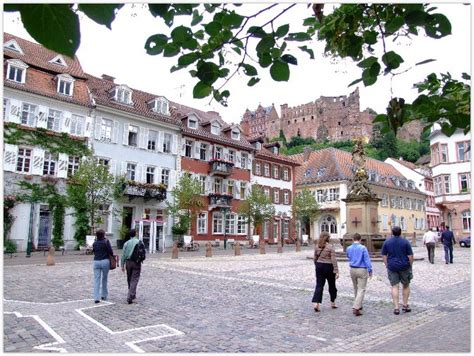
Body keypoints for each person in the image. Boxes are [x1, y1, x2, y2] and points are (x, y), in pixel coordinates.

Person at [381, 226, 414, 315]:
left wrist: (387, 265)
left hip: (392, 266)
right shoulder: (405, 242)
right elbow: (410, 255)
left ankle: (396, 307)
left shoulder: (387, 242)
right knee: (406, 285)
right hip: (404, 266)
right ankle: (405, 305)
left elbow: (384, 255)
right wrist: (410, 265)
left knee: (394, 286)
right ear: (400, 232)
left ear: (392, 232)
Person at [311, 231, 339, 312]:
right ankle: (333, 302)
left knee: (319, 285)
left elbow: (315, 257)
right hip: (328, 266)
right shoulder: (330, 247)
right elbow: (333, 259)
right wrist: (336, 270)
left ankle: (316, 303)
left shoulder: (317, 246)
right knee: (332, 285)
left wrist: (316, 265)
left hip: (319, 266)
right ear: (328, 238)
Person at [346, 233, 372, 316]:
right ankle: (356, 307)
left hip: (352, 269)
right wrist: (370, 269)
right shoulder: (363, 248)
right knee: (361, 289)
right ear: (360, 240)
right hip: (361, 269)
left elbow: (348, 257)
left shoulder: (348, 248)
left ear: (352, 239)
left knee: (355, 288)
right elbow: (367, 259)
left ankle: (358, 305)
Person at [120, 229, 143, 304]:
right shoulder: (139, 242)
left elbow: (123, 255)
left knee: (129, 279)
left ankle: (132, 294)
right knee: (135, 279)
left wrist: (122, 265)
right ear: (135, 234)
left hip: (128, 262)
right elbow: (143, 252)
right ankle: (130, 295)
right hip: (136, 262)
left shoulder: (126, 243)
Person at [92, 229, 114, 303]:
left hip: (96, 261)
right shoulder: (106, 242)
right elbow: (111, 251)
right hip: (105, 261)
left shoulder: (95, 243)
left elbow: (94, 251)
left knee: (96, 280)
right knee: (104, 279)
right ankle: (104, 295)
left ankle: (96, 297)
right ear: (103, 235)